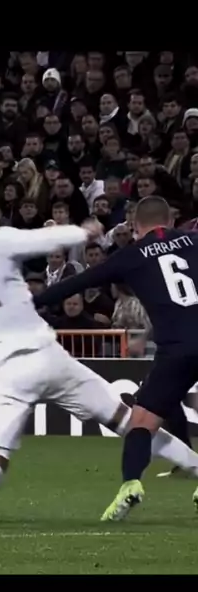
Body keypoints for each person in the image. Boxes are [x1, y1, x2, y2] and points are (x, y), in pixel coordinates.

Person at [0, 196, 198, 522]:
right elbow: (46, 238)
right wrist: (84, 231)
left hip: (4, 376)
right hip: (47, 357)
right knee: (130, 422)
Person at [37, 195, 198, 520]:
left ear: (136, 226)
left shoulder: (132, 255)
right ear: (170, 220)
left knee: (142, 423)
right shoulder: (193, 241)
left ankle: (131, 484)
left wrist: (29, 302)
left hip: (176, 349)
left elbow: (76, 283)